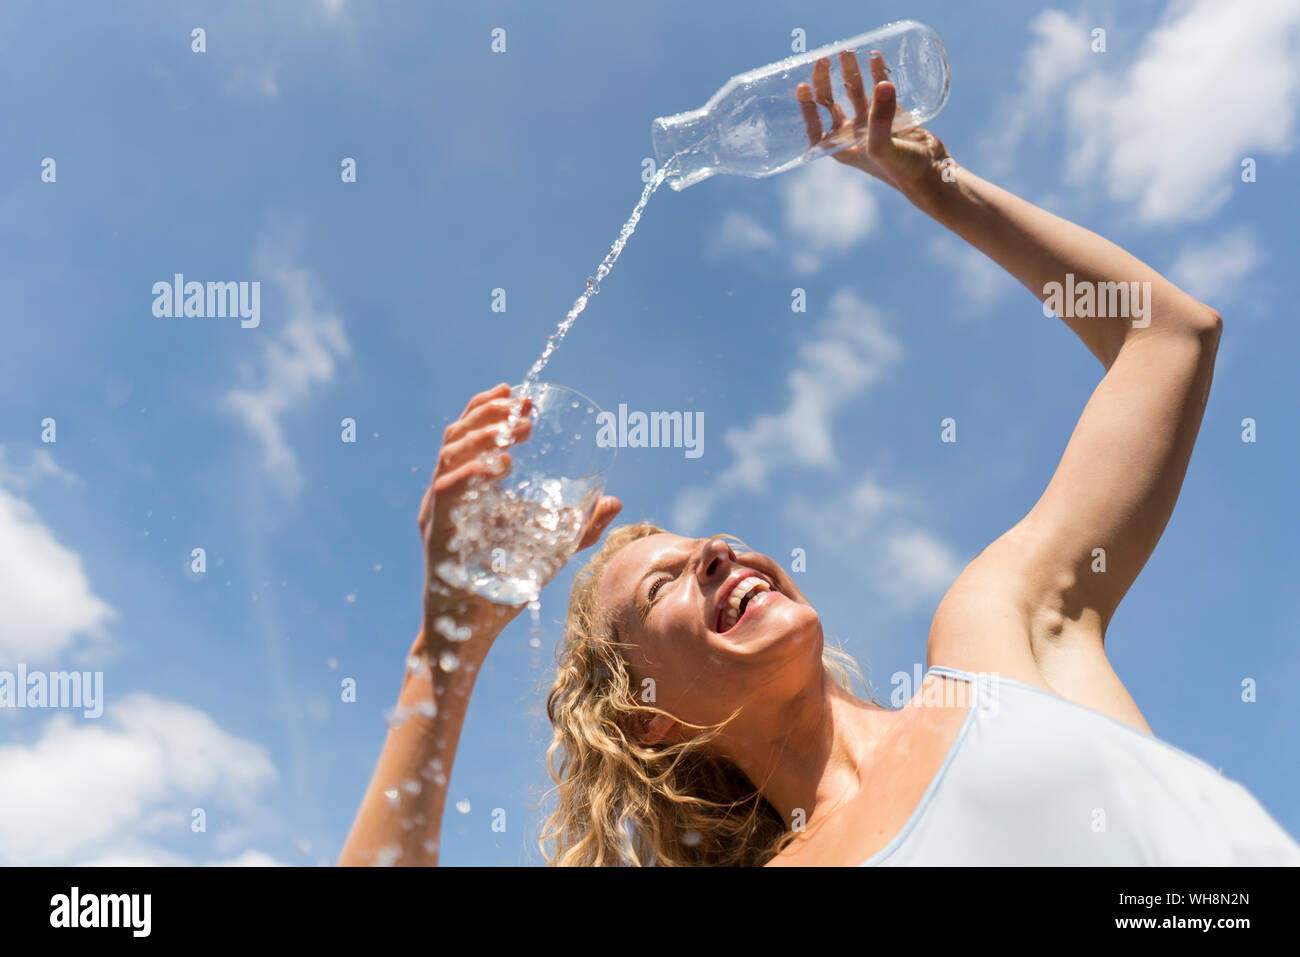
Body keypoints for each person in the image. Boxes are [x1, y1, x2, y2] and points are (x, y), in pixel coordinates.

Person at [340, 52, 1300, 866]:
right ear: (648, 719)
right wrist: (444, 655)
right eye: (663, 586)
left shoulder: (991, 638)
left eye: (698, 542)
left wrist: (941, 189)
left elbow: (1166, 337)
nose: (716, 548)